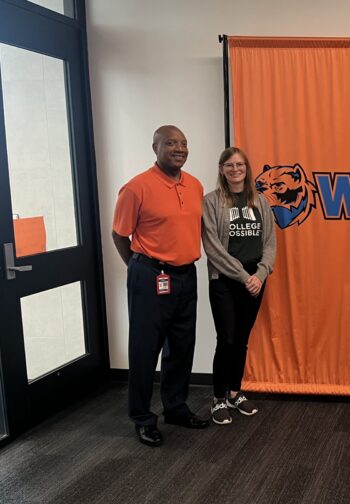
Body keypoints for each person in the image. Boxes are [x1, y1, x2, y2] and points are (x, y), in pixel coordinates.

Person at [112, 125, 209, 447]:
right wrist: (141, 269)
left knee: (181, 346)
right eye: (170, 143)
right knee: (144, 349)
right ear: (155, 147)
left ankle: (176, 408)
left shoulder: (195, 185)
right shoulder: (136, 187)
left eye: (183, 143)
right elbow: (119, 234)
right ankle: (142, 418)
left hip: (186, 275)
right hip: (150, 275)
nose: (179, 148)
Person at [202, 147, 276, 425]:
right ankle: (218, 398)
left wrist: (260, 273)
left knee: (242, 340)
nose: (235, 169)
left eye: (240, 164)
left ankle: (235, 393)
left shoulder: (260, 201)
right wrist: (244, 277)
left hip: (255, 281)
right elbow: (213, 248)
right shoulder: (211, 202)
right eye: (229, 165)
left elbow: (270, 242)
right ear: (221, 169)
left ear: (247, 168)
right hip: (225, 282)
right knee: (227, 339)